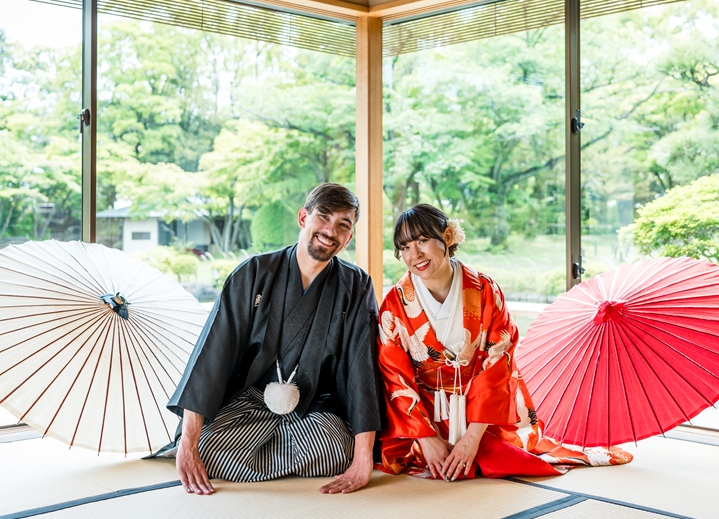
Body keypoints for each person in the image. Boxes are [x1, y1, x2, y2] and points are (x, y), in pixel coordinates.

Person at [377, 204, 631, 480]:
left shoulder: (484, 290)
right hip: (425, 412)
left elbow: (498, 364)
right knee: (420, 458)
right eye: (404, 248)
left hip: (482, 407)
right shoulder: (396, 303)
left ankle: (476, 441)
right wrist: (426, 439)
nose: (415, 255)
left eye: (422, 241)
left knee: (498, 456)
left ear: (447, 237)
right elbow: (395, 376)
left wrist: (472, 438)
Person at [166, 183, 381, 495]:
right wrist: (188, 442)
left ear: (349, 237)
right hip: (251, 400)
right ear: (303, 217)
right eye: (323, 217)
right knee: (208, 446)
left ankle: (269, 456)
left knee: (337, 449)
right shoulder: (254, 272)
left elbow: (363, 368)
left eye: (342, 225)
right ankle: (270, 455)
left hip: (315, 409)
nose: (330, 230)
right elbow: (213, 353)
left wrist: (363, 458)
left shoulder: (356, 285)